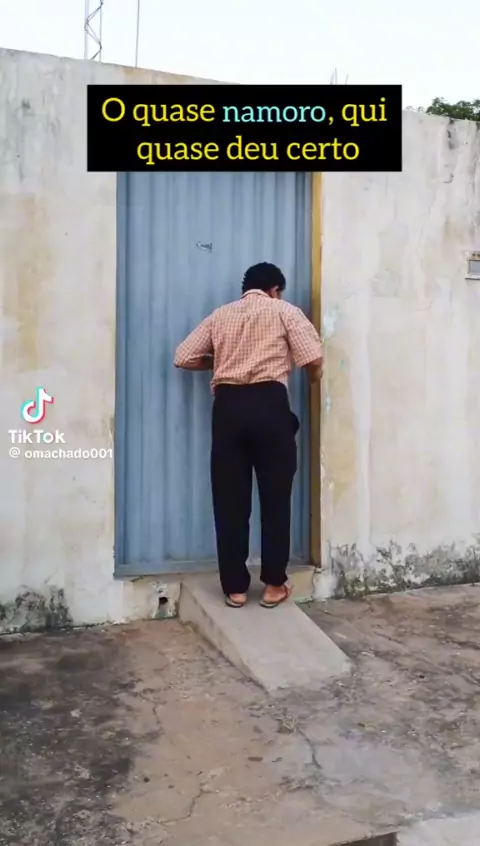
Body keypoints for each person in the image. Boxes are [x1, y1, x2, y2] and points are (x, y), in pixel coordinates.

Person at [174, 262, 323, 609]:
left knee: (230, 502)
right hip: (269, 406)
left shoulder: (220, 315)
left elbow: (183, 357)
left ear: (246, 288)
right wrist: (313, 379)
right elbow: (313, 359)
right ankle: (273, 586)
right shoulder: (284, 311)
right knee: (275, 499)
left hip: (228, 410)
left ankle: (236, 589)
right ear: (275, 289)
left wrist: (220, 363)